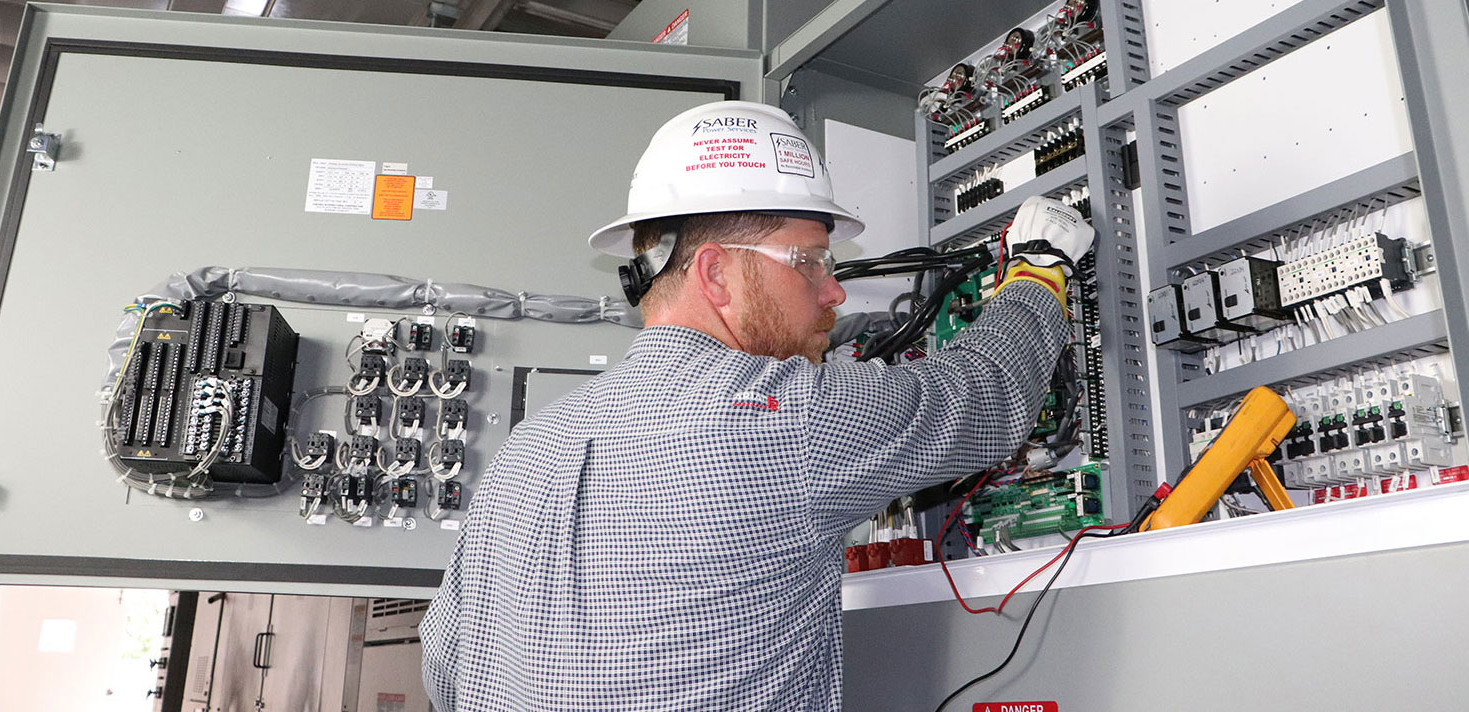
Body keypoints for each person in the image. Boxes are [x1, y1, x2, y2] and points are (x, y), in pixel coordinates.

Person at [420, 100, 1092, 711]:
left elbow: (446, 669)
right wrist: (1039, 268)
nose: (834, 292)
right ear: (715, 273)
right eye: (810, 262)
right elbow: (985, 393)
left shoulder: (525, 451)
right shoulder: (784, 416)